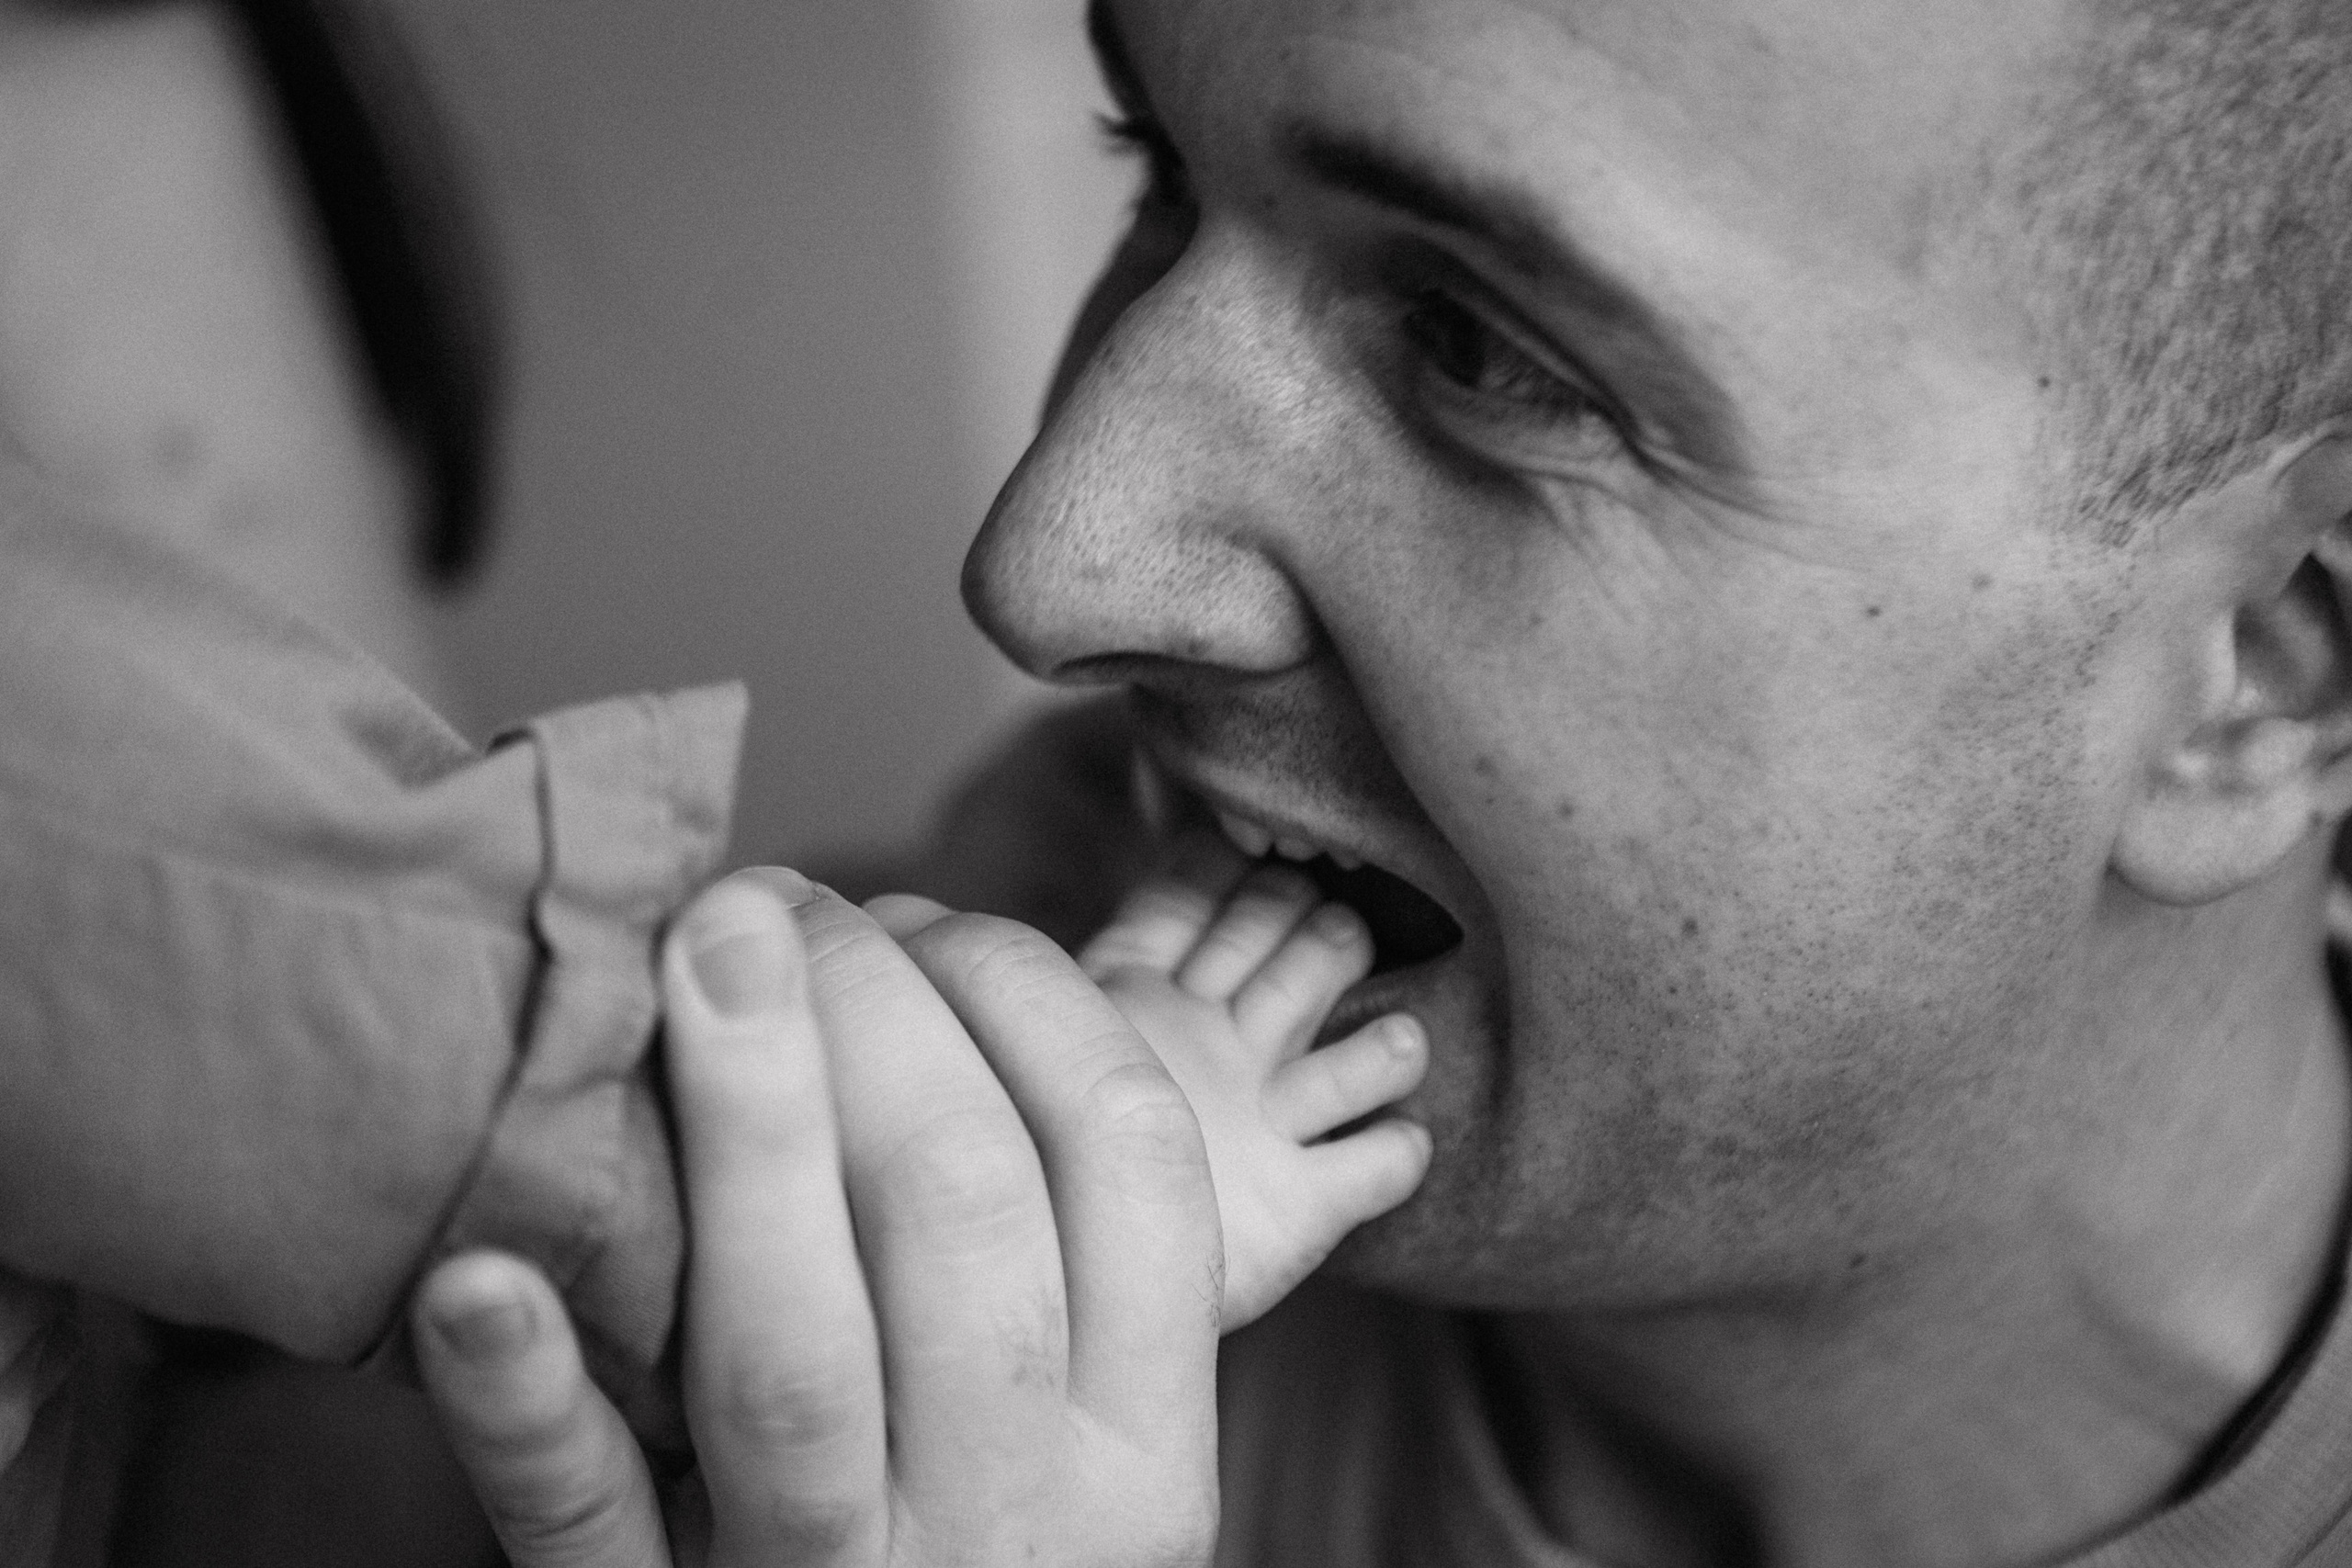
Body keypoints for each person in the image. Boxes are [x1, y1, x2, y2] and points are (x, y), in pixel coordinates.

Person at [421, 0, 2352, 1563]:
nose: (1050, 562)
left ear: (2258, 686)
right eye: (1154, 170)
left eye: (1477, 350)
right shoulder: (912, 1099)